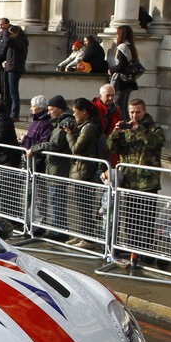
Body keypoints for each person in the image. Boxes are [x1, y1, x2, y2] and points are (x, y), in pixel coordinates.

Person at [107, 98, 166, 263]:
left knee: (146, 220)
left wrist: (139, 129)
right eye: (132, 112)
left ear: (144, 111)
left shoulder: (154, 128)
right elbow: (111, 147)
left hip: (147, 182)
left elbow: (155, 143)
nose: (134, 115)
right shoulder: (126, 129)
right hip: (129, 181)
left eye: (138, 112)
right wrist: (116, 132)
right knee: (131, 219)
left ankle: (145, 253)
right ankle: (131, 250)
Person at [28, 94, 74, 239]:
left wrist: (35, 148)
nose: (49, 113)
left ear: (59, 109)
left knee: (57, 199)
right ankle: (56, 229)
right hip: (53, 165)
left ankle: (58, 232)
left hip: (58, 167)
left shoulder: (64, 123)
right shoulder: (57, 122)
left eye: (51, 109)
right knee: (54, 199)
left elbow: (54, 144)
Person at [64, 98, 104, 249]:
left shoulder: (88, 128)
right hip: (80, 170)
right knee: (81, 206)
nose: (73, 115)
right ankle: (82, 235)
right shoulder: (83, 127)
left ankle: (89, 238)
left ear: (84, 112)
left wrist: (69, 133)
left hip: (85, 171)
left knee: (86, 206)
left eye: (75, 112)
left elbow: (76, 149)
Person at [108, 24, 141, 111]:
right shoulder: (131, 47)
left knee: (118, 106)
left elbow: (121, 66)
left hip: (121, 81)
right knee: (124, 106)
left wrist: (111, 70)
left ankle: (121, 124)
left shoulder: (122, 47)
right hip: (129, 81)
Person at [3, 25, 28, 120]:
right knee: (10, 92)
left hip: (15, 68)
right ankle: (11, 112)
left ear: (16, 33)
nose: (9, 36)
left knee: (13, 93)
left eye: (11, 34)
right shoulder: (18, 41)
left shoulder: (20, 41)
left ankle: (15, 114)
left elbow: (8, 41)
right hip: (11, 67)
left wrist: (5, 32)